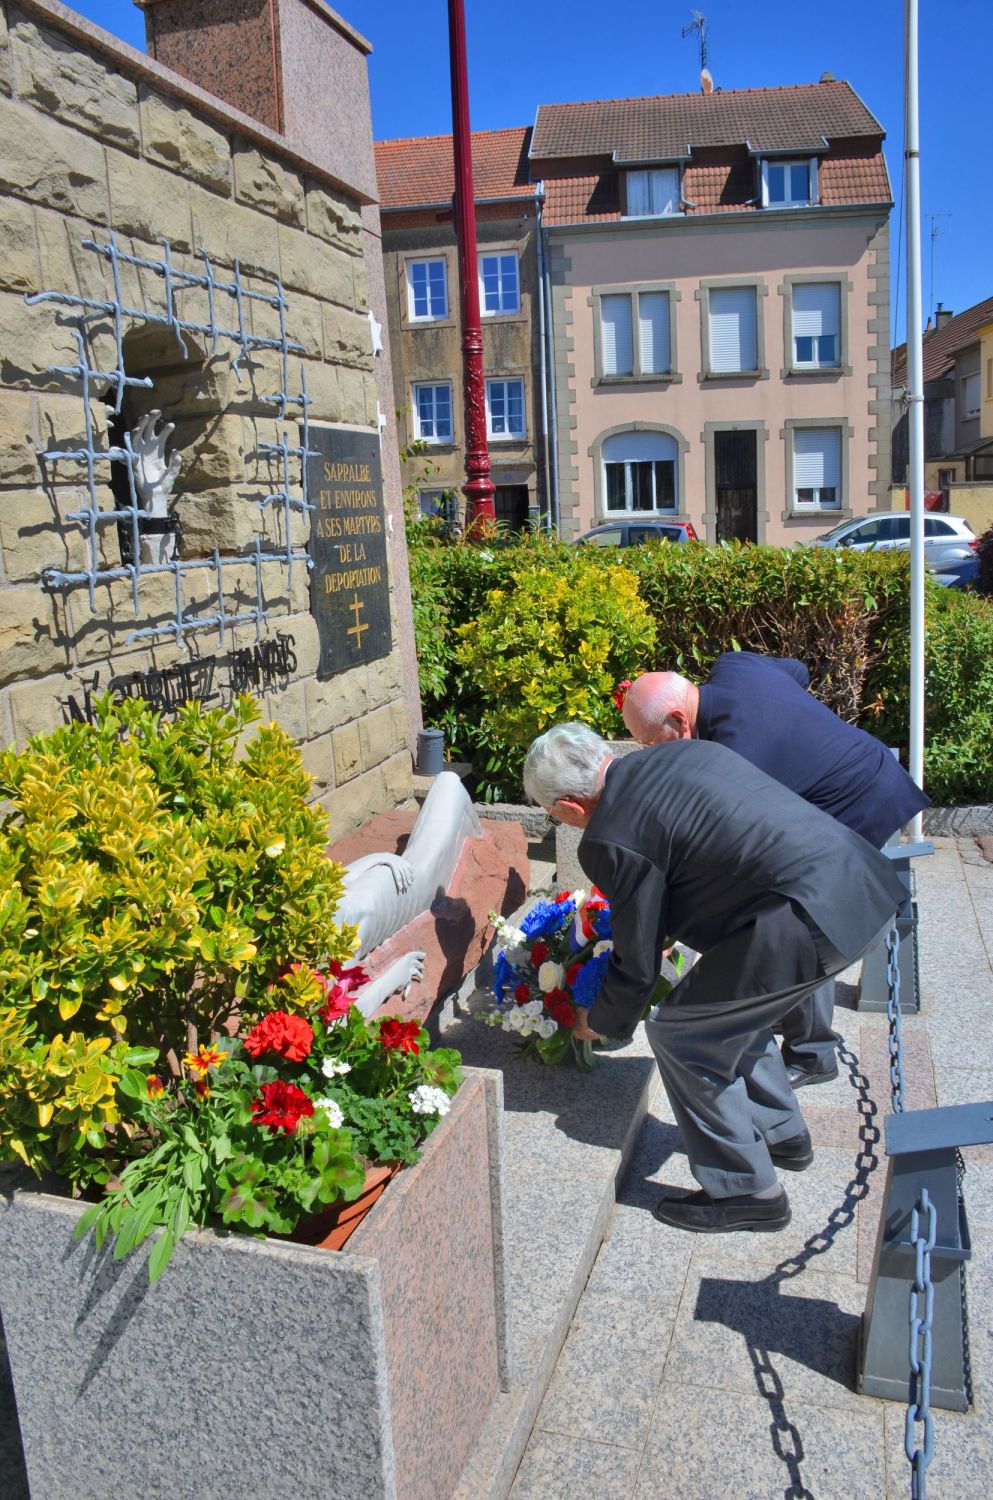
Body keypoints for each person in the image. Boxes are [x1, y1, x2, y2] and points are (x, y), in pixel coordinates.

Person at [522, 723, 904, 1234]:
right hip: (862, 883)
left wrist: (601, 1020)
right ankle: (782, 1134)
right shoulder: (683, 752)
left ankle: (747, 1192)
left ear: (570, 805)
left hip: (807, 918)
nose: (560, 821)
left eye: (553, 814)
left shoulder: (609, 833)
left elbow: (637, 966)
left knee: (681, 1033)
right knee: (726, 1012)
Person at [622, 654, 928, 1088]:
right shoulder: (734, 667)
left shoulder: (735, 758)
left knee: (797, 915)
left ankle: (813, 1052)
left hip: (856, 799)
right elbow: (798, 672)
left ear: (679, 719)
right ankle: (790, 1015)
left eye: (650, 742)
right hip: (863, 765)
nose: (650, 753)